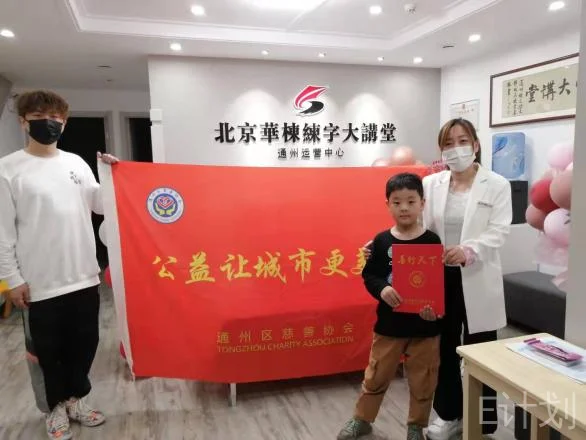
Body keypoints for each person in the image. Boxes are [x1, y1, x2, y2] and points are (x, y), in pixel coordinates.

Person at [363, 119, 512, 439]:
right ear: (441, 149)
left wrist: (469, 250)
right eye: (448, 143)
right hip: (437, 279)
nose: (455, 148)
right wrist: (380, 246)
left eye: (462, 141)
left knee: (483, 355)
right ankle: (449, 415)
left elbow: (499, 231)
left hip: (477, 276)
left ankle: (484, 422)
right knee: (443, 349)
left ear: (475, 145)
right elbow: (412, 225)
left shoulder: (497, 184)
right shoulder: (431, 184)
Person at [0, 90, 119, 440]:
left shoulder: (76, 163)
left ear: (64, 123)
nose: (48, 124)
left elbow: (100, 204)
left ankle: (75, 400)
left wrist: (111, 175)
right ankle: (54, 408)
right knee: (47, 352)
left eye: (55, 118)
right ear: (23, 122)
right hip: (40, 282)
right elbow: (2, 232)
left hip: (83, 275)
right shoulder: (8, 169)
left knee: (85, 344)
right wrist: (12, 279)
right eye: (38, 117)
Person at [338, 173, 443, 440]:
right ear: (388, 205)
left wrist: (436, 311)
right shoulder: (381, 241)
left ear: (422, 203)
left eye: (411, 201)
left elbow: (440, 283)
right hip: (389, 326)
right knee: (376, 376)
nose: (404, 208)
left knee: (423, 380)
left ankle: (416, 426)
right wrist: (382, 289)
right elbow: (370, 275)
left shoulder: (432, 241)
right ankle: (362, 420)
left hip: (425, 327)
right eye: (397, 202)